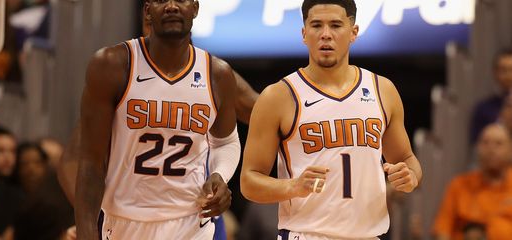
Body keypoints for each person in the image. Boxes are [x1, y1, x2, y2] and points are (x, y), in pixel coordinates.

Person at [240, 0, 422, 239]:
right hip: (306, 234)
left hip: (369, 235)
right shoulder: (278, 96)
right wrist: (291, 187)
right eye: (316, 25)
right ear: (304, 34)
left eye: (336, 25)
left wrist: (410, 177)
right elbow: (249, 181)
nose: (326, 35)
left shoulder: (382, 90)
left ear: (353, 32)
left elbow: (407, 160)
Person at [75, 0, 241, 239]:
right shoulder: (111, 65)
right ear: (147, 12)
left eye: (181, 0)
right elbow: (91, 162)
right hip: (126, 221)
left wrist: (220, 175)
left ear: (195, 8)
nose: (171, 6)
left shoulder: (218, 74)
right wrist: (86, 230)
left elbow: (226, 142)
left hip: (192, 222)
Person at [433, 123, 512, 240]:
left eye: (498, 144)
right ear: (477, 149)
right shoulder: (459, 185)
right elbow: (442, 230)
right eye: (485, 143)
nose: (491, 149)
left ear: (510, 150)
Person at [470, 49, 512, 143]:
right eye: (504, 70)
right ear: (495, 73)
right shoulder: (484, 109)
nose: (509, 75)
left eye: (511, 70)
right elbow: (477, 145)